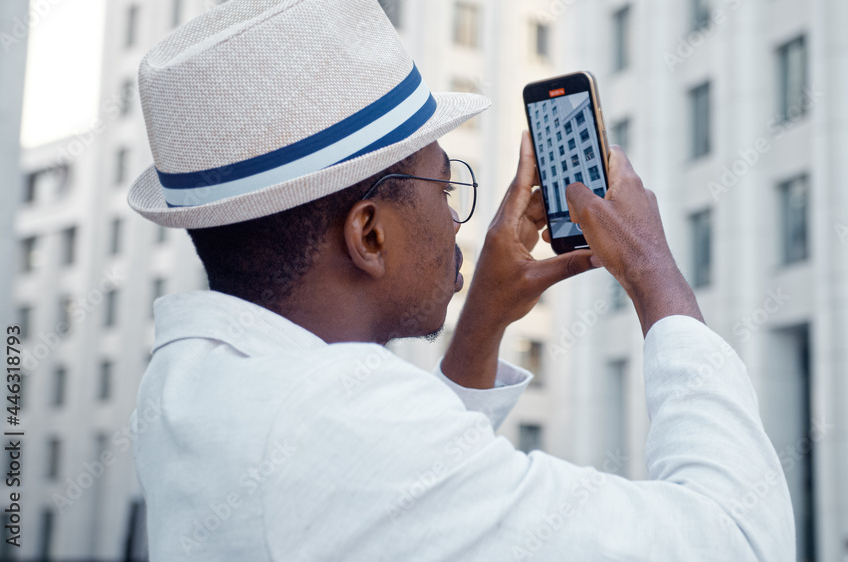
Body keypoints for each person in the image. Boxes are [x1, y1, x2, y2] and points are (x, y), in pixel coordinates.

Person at [127, 0, 794, 560]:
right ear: (369, 234)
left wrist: (482, 323)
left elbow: (418, 511)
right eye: (444, 188)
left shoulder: (189, 380)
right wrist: (656, 275)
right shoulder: (339, 429)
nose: (454, 224)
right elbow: (738, 537)